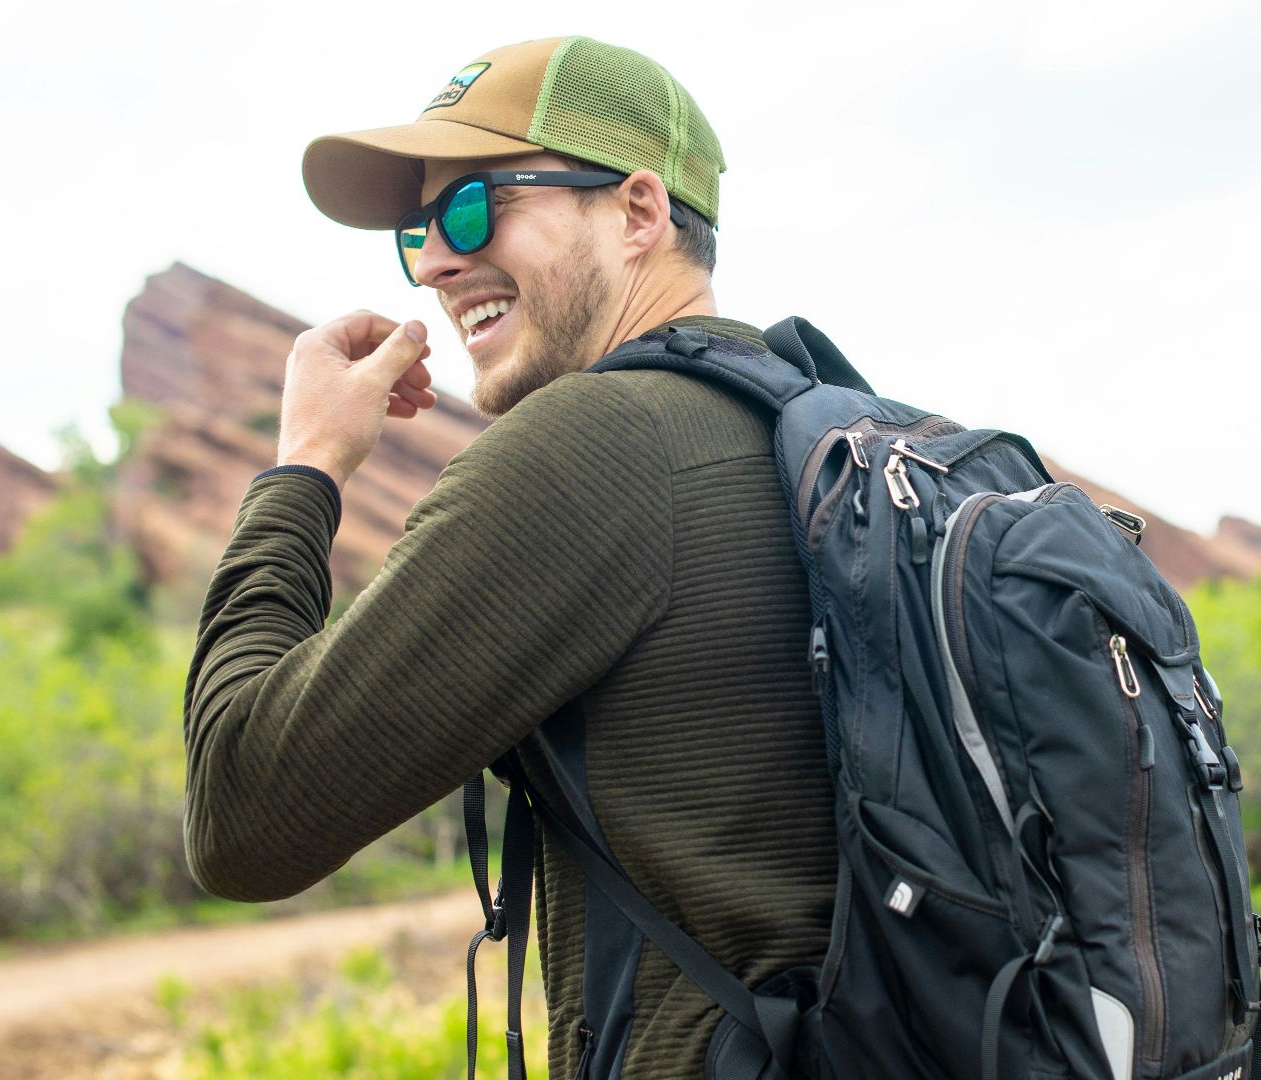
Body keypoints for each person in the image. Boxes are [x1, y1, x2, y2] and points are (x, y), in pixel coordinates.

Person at [181, 36, 838, 1079]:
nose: (436, 261)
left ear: (637, 212)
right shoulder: (815, 425)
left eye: (474, 206)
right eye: (419, 232)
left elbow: (242, 813)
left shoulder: (598, 445)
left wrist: (306, 465)